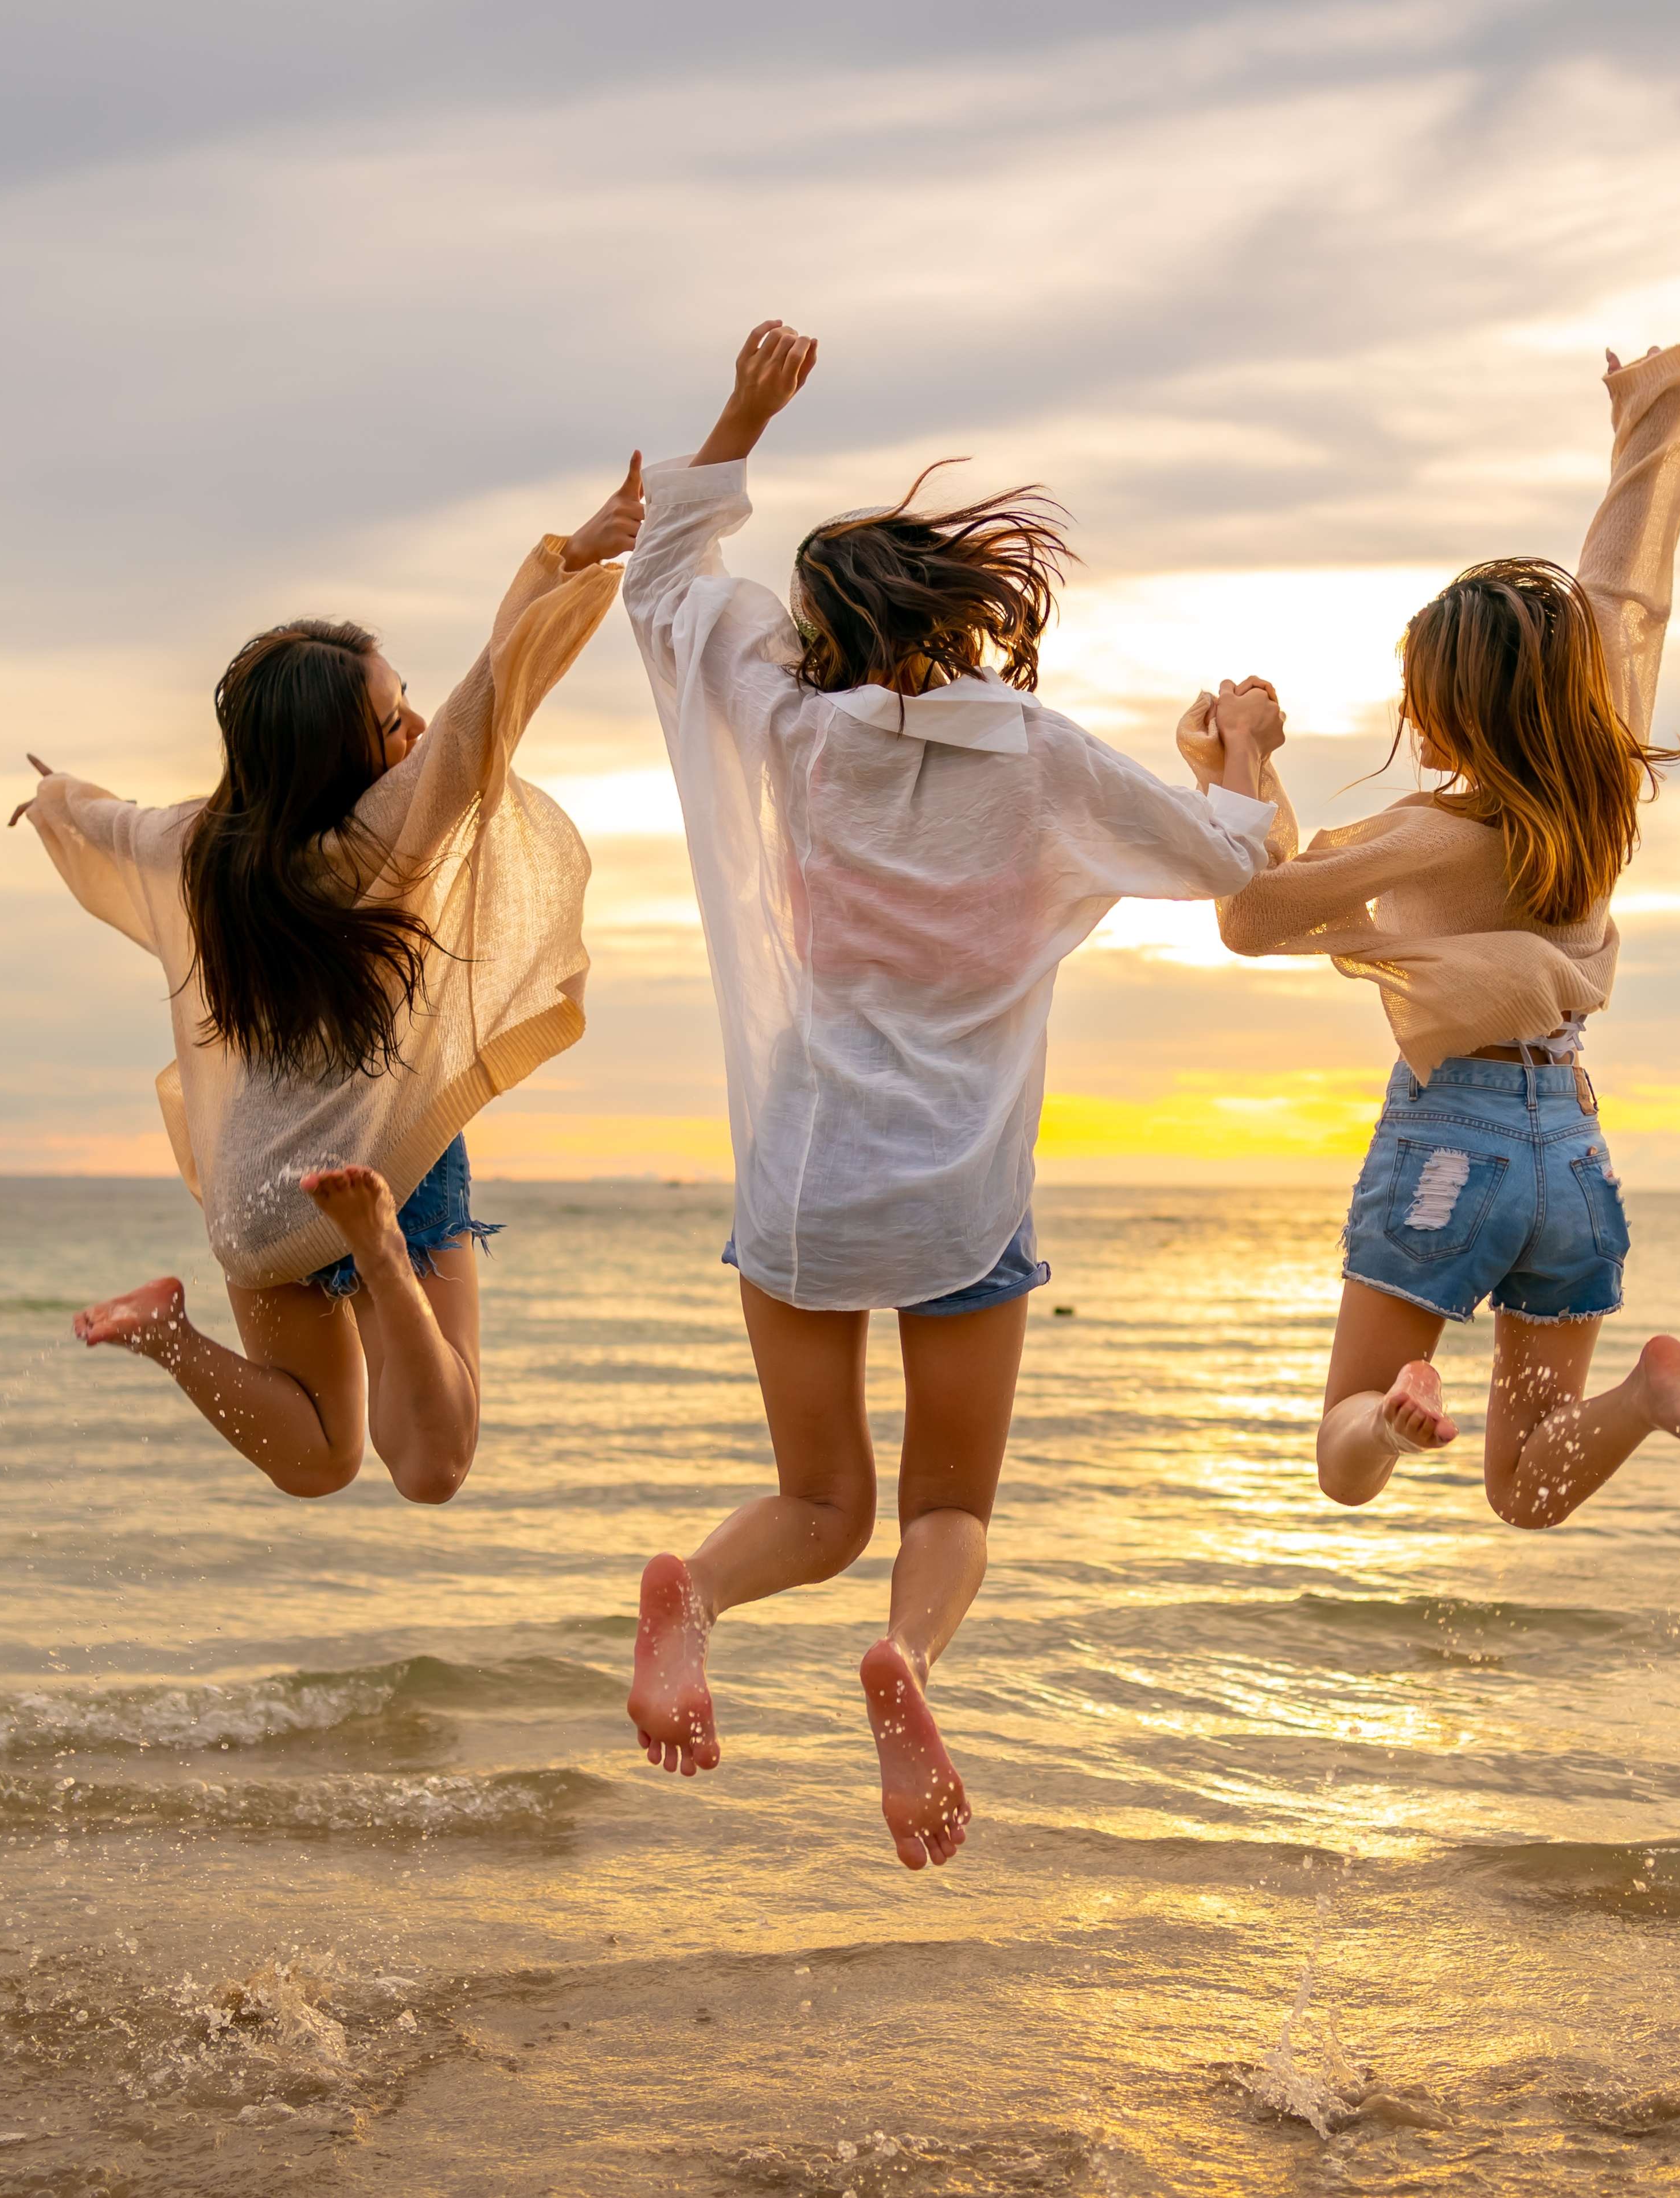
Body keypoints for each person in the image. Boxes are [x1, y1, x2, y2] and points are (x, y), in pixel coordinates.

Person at [616, 322, 1281, 1868]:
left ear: (819, 633)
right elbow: (1235, 859)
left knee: (816, 1502)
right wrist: (1235, 746)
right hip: (959, 1190)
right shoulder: (1036, 757)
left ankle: (696, 1595)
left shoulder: (788, 736)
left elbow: (657, 586)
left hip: (803, 1170)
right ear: (965, 615)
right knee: (943, 1512)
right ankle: (903, 1666)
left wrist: (740, 416)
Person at [1208, 339, 1680, 1527]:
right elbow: (1624, 592)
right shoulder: (1603, 790)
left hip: (1449, 1145)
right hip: (1567, 1150)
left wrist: (1243, 761)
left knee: (1340, 1455)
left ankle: (1392, 1414)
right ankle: (1655, 1390)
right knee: (1528, 1490)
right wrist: (1650, 415)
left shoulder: (1429, 833)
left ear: (1443, 706)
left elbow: (1254, 916)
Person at [10, 461, 646, 1504]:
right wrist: (568, 558)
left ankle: (169, 1335)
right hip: (381, 1165)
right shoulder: (388, 830)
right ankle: (385, 1259)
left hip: (261, 1198)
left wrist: (50, 798)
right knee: (431, 1467)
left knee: (319, 1460)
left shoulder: (198, 849)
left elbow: (105, 822)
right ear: (334, 754)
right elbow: (497, 689)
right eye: (392, 717)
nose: (415, 730)